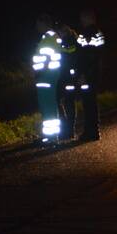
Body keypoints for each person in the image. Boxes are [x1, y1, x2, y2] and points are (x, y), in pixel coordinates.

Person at [32, 14, 77, 142]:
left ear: (43, 24)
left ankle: (50, 137)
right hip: (49, 75)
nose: (36, 27)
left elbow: (46, 58)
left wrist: (39, 72)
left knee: (47, 106)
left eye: (37, 24)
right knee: (50, 105)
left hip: (46, 76)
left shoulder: (49, 38)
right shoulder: (53, 37)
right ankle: (51, 136)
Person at [73, 8, 106, 141]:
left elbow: (85, 56)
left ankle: (90, 132)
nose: (81, 21)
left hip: (88, 75)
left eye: (83, 18)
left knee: (88, 103)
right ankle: (93, 131)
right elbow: (97, 55)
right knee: (91, 102)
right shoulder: (98, 33)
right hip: (93, 73)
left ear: (88, 18)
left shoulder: (87, 34)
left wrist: (82, 74)